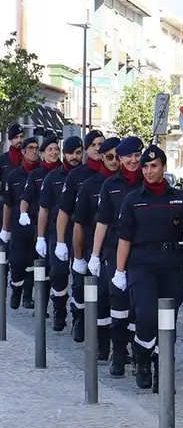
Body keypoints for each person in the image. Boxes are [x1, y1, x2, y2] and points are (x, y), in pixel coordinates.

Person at [113, 144, 183, 391]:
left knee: (168, 321)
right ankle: (142, 355)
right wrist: (119, 271)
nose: (148, 170)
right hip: (141, 264)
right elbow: (124, 238)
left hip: (171, 266)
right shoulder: (133, 200)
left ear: (164, 168)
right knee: (145, 315)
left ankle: (162, 370)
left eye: (153, 166)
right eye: (144, 166)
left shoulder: (178, 198)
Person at [89, 136, 145, 376]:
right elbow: (102, 222)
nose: (133, 160)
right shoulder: (110, 185)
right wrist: (94, 254)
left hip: (142, 250)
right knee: (119, 301)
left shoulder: (149, 181)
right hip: (113, 250)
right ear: (120, 159)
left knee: (138, 304)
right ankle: (118, 352)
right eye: (128, 156)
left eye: (137, 155)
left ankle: (134, 347)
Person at [72, 136, 120, 365]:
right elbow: (79, 222)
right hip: (98, 249)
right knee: (101, 298)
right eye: (109, 156)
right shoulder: (90, 185)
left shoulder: (133, 184)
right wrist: (80, 256)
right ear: (102, 157)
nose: (114, 161)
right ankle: (102, 341)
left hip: (127, 249)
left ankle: (122, 346)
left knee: (124, 300)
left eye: (117, 157)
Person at [56, 129, 104, 342]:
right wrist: (60, 242)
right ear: (86, 149)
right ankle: (79, 317)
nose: (98, 148)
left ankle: (106, 332)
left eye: (101, 144)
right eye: (93, 145)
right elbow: (64, 211)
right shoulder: (77, 176)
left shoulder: (113, 174)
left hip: (108, 240)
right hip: (82, 236)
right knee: (80, 282)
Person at [36, 135, 83, 331]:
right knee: (57, 272)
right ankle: (59, 309)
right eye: (71, 153)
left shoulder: (85, 176)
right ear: (65, 154)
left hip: (81, 231)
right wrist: (40, 238)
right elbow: (44, 210)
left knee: (80, 276)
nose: (74, 157)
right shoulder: (53, 177)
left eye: (78, 153)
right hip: (59, 231)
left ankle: (79, 316)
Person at [17, 137, 62, 312]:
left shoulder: (64, 172)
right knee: (41, 266)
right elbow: (25, 197)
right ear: (43, 153)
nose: (54, 152)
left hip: (63, 225)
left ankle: (55, 303)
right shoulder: (36, 174)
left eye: (56, 149)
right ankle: (38, 303)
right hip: (42, 225)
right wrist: (22, 213)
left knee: (56, 269)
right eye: (49, 149)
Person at [2, 135, 40, 309]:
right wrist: (5, 228)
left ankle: (27, 295)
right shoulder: (13, 175)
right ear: (23, 152)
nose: (34, 151)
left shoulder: (42, 173)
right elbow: (8, 204)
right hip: (18, 223)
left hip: (36, 222)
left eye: (36, 148)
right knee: (17, 261)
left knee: (33, 261)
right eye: (30, 148)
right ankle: (16, 289)